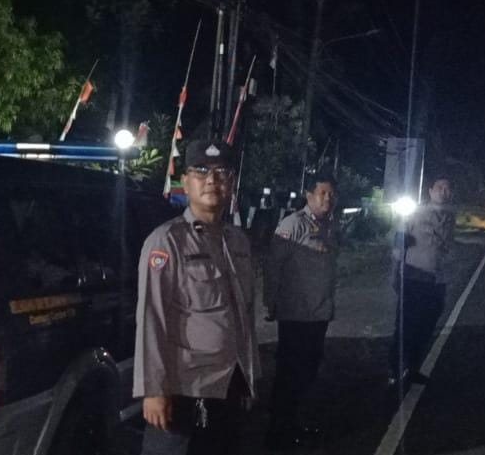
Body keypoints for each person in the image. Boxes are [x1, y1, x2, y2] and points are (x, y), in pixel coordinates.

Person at [134, 139, 259, 455]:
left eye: (221, 172)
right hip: (185, 390)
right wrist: (153, 390)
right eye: (201, 170)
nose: (212, 180)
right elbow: (152, 318)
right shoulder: (167, 241)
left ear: (231, 183)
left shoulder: (238, 242)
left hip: (229, 384)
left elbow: (244, 316)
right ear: (185, 182)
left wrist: (249, 376)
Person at [263, 174, 340, 450]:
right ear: (309, 195)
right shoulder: (293, 224)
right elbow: (273, 266)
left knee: (307, 373)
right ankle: (277, 432)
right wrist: (270, 302)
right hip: (296, 314)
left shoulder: (330, 226)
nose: (328, 198)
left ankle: (293, 423)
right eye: (322, 193)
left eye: (331, 194)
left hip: (318, 313)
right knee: (289, 375)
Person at [388, 176, 455, 387]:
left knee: (426, 327)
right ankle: (395, 371)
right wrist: (395, 272)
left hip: (437, 281)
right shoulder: (415, 213)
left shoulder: (450, 217)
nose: (443, 192)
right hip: (414, 278)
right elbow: (399, 243)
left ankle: (413, 368)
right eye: (439, 187)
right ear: (430, 191)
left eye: (447, 188)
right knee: (405, 326)